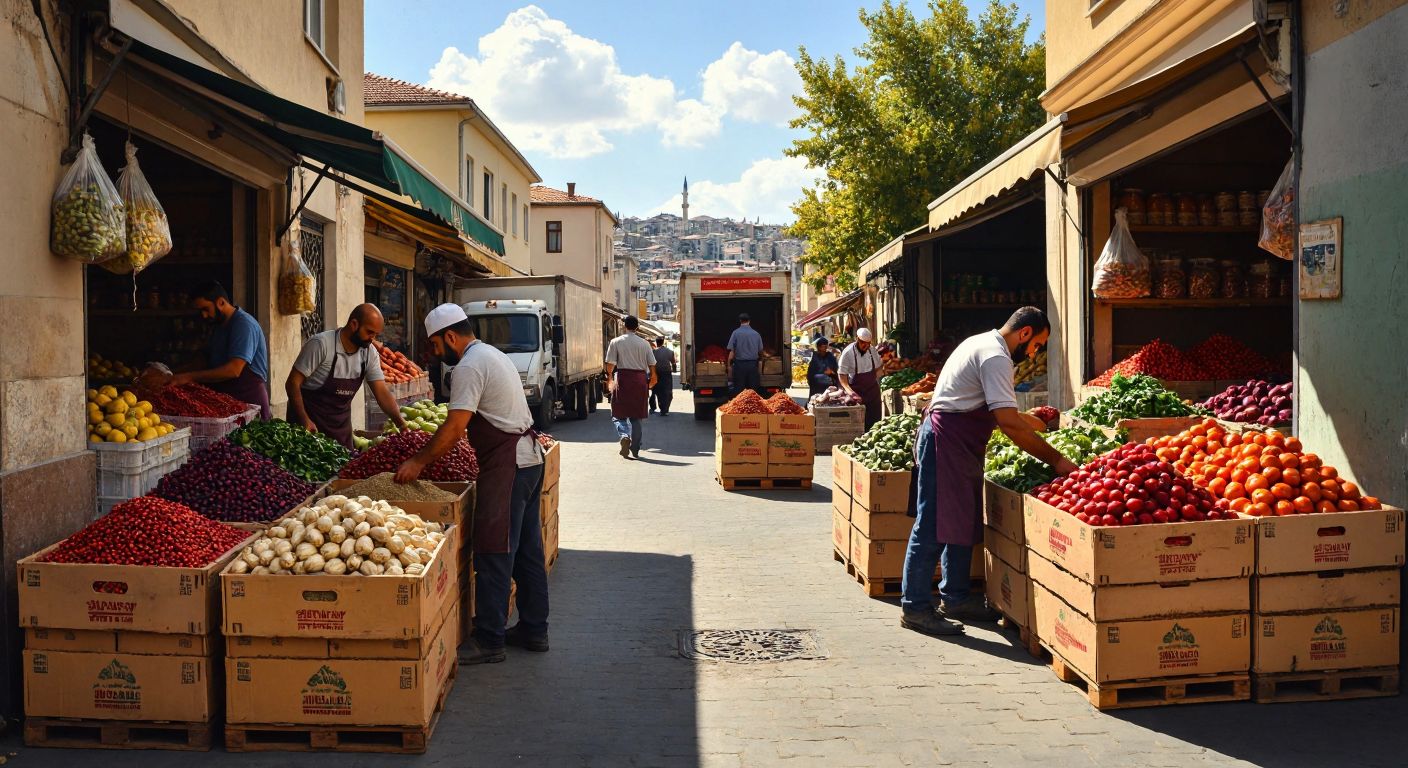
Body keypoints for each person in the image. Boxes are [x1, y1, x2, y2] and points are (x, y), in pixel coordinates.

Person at [899, 307, 1078, 638]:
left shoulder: (981, 343)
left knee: (962, 518)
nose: (1035, 352)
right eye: (1038, 344)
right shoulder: (996, 357)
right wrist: (1057, 461)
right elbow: (1008, 423)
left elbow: (1002, 412)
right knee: (934, 523)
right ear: (1024, 334)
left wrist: (1031, 420)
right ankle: (915, 607)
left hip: (960, 442)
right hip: (946, 442)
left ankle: (955, 598)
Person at [395, 304, 547, 664]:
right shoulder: (491, 353)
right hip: (528, 460)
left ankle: (491, 640)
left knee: (494, 550)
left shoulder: (468, 366)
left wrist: (418, 461)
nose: (434, 353)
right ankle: (534, 629)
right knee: (527, 553)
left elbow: (454, 428)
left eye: (435, 345)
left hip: (508, 464)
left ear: (449, 337)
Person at [285, 304, 408, 449]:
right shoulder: (321, 345)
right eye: (369, 332)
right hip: (308, 431)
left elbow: (381, 392)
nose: (372, 339)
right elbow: (292, 383)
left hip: (340, 433)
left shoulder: (369, 354)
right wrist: (304, 419)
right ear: (354, 324)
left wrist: (401, 423)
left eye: (376, 335)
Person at [170, 281, 271, 419]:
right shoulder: (217, 326)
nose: (204, 315)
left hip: (250, 404)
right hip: (228, 404)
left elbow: (234, 370)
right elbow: (204, 361)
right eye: (200, 311)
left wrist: (189, 377)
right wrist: (172, 374)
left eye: (206, 309)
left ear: (221, 302)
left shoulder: (243, 324)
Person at [605, 316, 657, 459]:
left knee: (618, 413)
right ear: (637, 327)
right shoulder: (645, 343)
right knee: (637, 416)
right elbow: (652, 364)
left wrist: (609, 377)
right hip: (640, 381)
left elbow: (610, 365)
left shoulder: (615, 342)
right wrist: (653, 377)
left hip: (623, 379)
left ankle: (624, 435)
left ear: (624, 326)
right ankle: (635, 448)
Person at [837, 328, 883, 428]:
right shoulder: (848, 353)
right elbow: (842, 375)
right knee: (857, 424)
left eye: (868, 343)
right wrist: (849, 391)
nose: (865, 346)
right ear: (857, 339)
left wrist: (878, 380)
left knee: (874, 423)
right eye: (862, 343)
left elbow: (879, 367)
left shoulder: (872, 350)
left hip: (872, 392)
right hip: (857, 393)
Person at [726, 313, 764, 396]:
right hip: (753, 365)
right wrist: (760, 361)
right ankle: (753, 407)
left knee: (739, 390)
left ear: (740, 321)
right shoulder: (756, 334)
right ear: (749, 321)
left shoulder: (735, 333)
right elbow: (760, 351)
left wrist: (729, 365)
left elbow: (731, 351)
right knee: (753, 391)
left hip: (739, 366)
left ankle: (739, 407)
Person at [649, 337, 677, 416]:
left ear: (656, 343)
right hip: (666, 374)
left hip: (655, 373)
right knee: (666, 392)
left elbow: (649, 363)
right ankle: (664, 410)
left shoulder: (653, 352)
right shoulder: (670, 351)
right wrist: (674, 370)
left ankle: (653, 408)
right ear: (663, 342)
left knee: (654, 391)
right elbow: (673, 363)